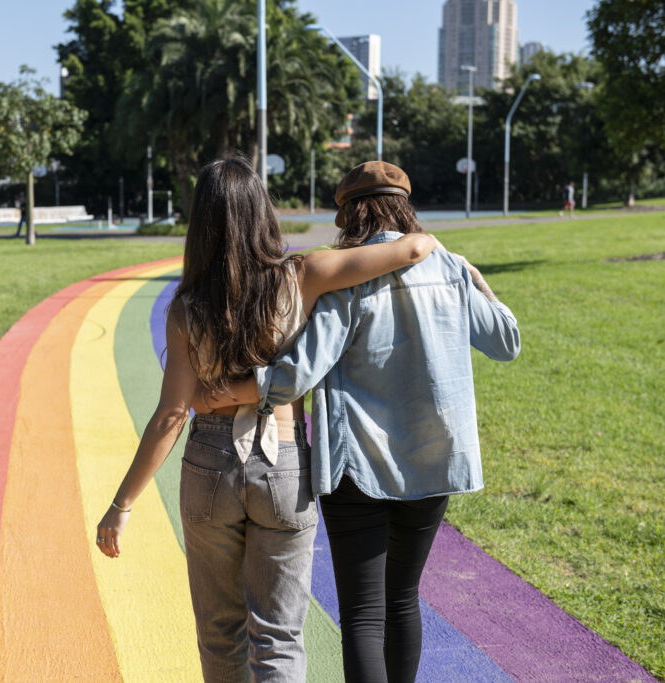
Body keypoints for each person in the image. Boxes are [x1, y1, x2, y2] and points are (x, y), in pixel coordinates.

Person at [95, 157, 444, 682]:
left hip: (210, 466)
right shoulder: (299, 276)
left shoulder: (185, 309)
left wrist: (121, 505)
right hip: (282, 465)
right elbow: (413, 248)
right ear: (263, 214)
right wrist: (437, 249)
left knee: (219, 634)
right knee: (279, 636)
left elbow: (170, 415)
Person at [198, 161, 521, 683]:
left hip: (358, 466)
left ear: (349, 212)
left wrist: (233, 391)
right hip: (434, 461)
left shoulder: (349, 275)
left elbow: (299, 373)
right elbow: (507, 341)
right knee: (404, 599)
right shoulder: (450, 269)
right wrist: (478, 279)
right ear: (406, 206)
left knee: (364, 614)